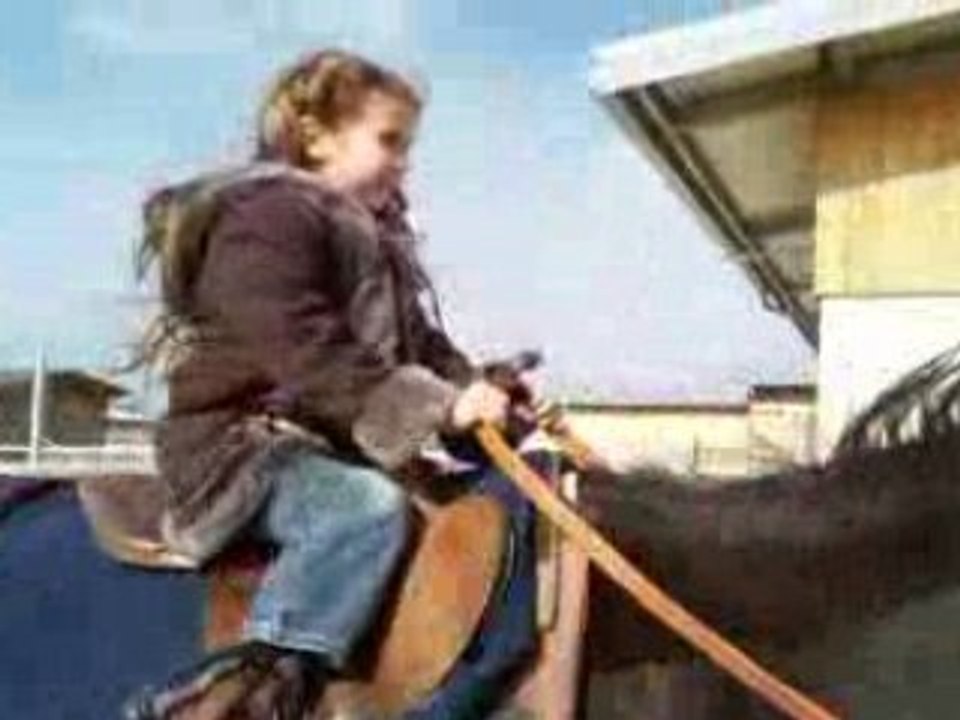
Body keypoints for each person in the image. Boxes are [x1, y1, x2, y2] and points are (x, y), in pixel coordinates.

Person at [126, 49, 542, 719]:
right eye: (389, 142)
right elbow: (299, 347)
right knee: (363, 509)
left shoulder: (374, 241)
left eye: (409, 147)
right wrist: (436, 408)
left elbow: (425, 351)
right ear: (316, 138)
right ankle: (260, 683)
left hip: (318, 439)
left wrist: (484, 398)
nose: (404, 162)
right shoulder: (268, 218)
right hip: (244, 447)